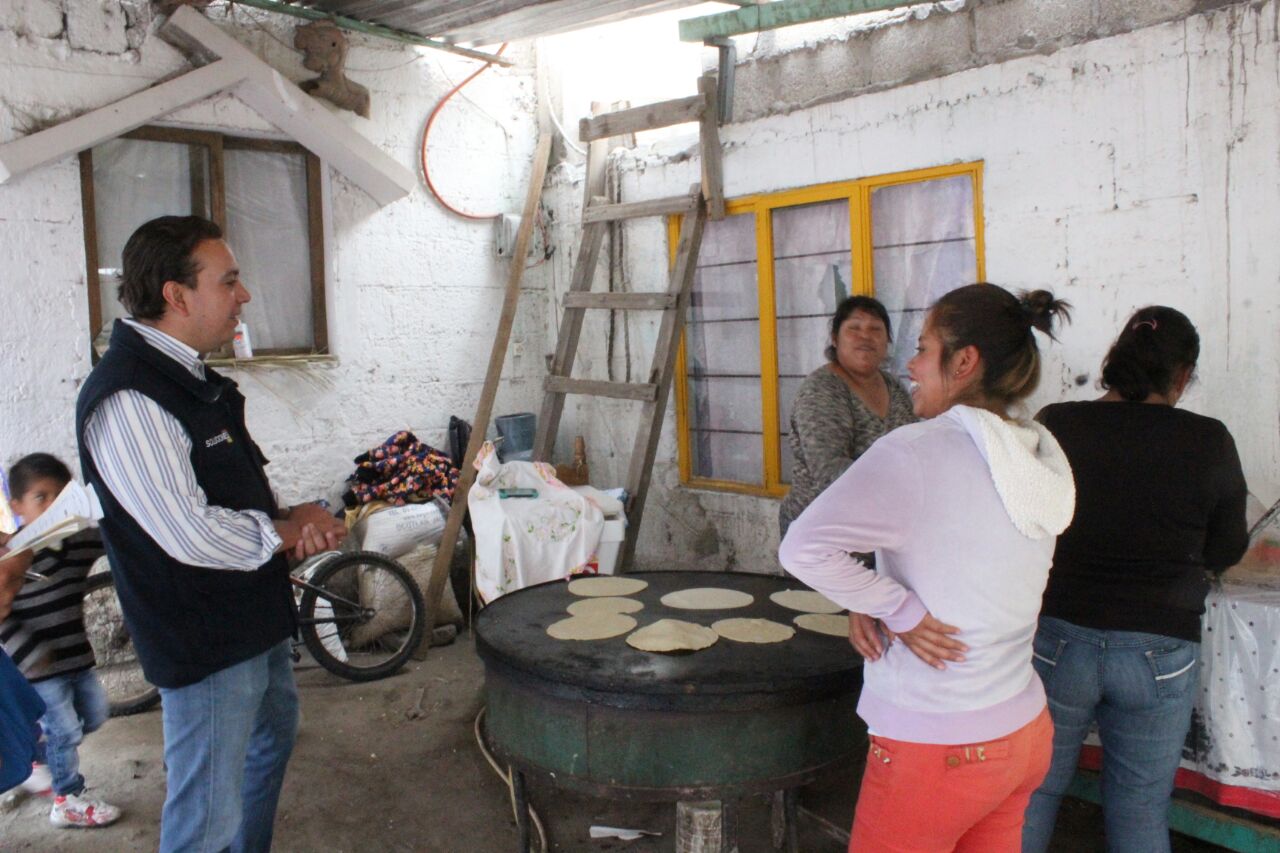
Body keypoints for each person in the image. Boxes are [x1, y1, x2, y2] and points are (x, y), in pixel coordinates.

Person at [75, 215, 347, 853]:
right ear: (176, 295)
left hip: (251, 616)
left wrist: (294, 515)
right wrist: (285, 531)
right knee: (205, 815)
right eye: (229, 281)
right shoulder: (130, 398)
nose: (244, 296)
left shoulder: (192, 379)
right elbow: (189, 533)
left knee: (271, 738)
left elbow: (226, 487)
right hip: (205, 638)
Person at [780, 283, 1075, 852]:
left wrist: (900, 609)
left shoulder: (914, 451)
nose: (910, 363)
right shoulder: (1033, 450)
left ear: (964, 362)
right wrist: (872, 598)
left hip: (942, 745)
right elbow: (967, 562)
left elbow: (801, 547)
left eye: (923, 346)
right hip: (1023, 730)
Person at [1021, 307, 1248, 853]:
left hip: (1058, 639)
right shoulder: (1209, 440)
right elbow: (1226, 548)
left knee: (1034, 793)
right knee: (1141, 806)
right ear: (1182, 375)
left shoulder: (1057, 424)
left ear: (1112, 362)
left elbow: (1026, 525)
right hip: (1159, 650)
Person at [0, 453, 121, 827]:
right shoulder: (12, 559)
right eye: (41, 497)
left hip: (77, 660)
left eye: (60, 496)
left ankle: (38, 754)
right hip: (36, 669)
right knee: (65, 730)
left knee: (95, 716)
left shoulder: (76, 545)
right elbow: (3, 620)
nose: (52, 506)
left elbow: (114, 538)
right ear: (16, 506)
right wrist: (34, 654)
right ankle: (67, 797)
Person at [778, 295, 916, 537]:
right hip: (824, 536)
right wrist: (898, 494)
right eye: (854, 328)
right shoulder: (823, 389)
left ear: (887, 341)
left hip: (882, 532)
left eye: (875, 329)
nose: (865, 336)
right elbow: (830, 472)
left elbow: (912, 447)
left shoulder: (894, 387)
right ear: (835, 339)